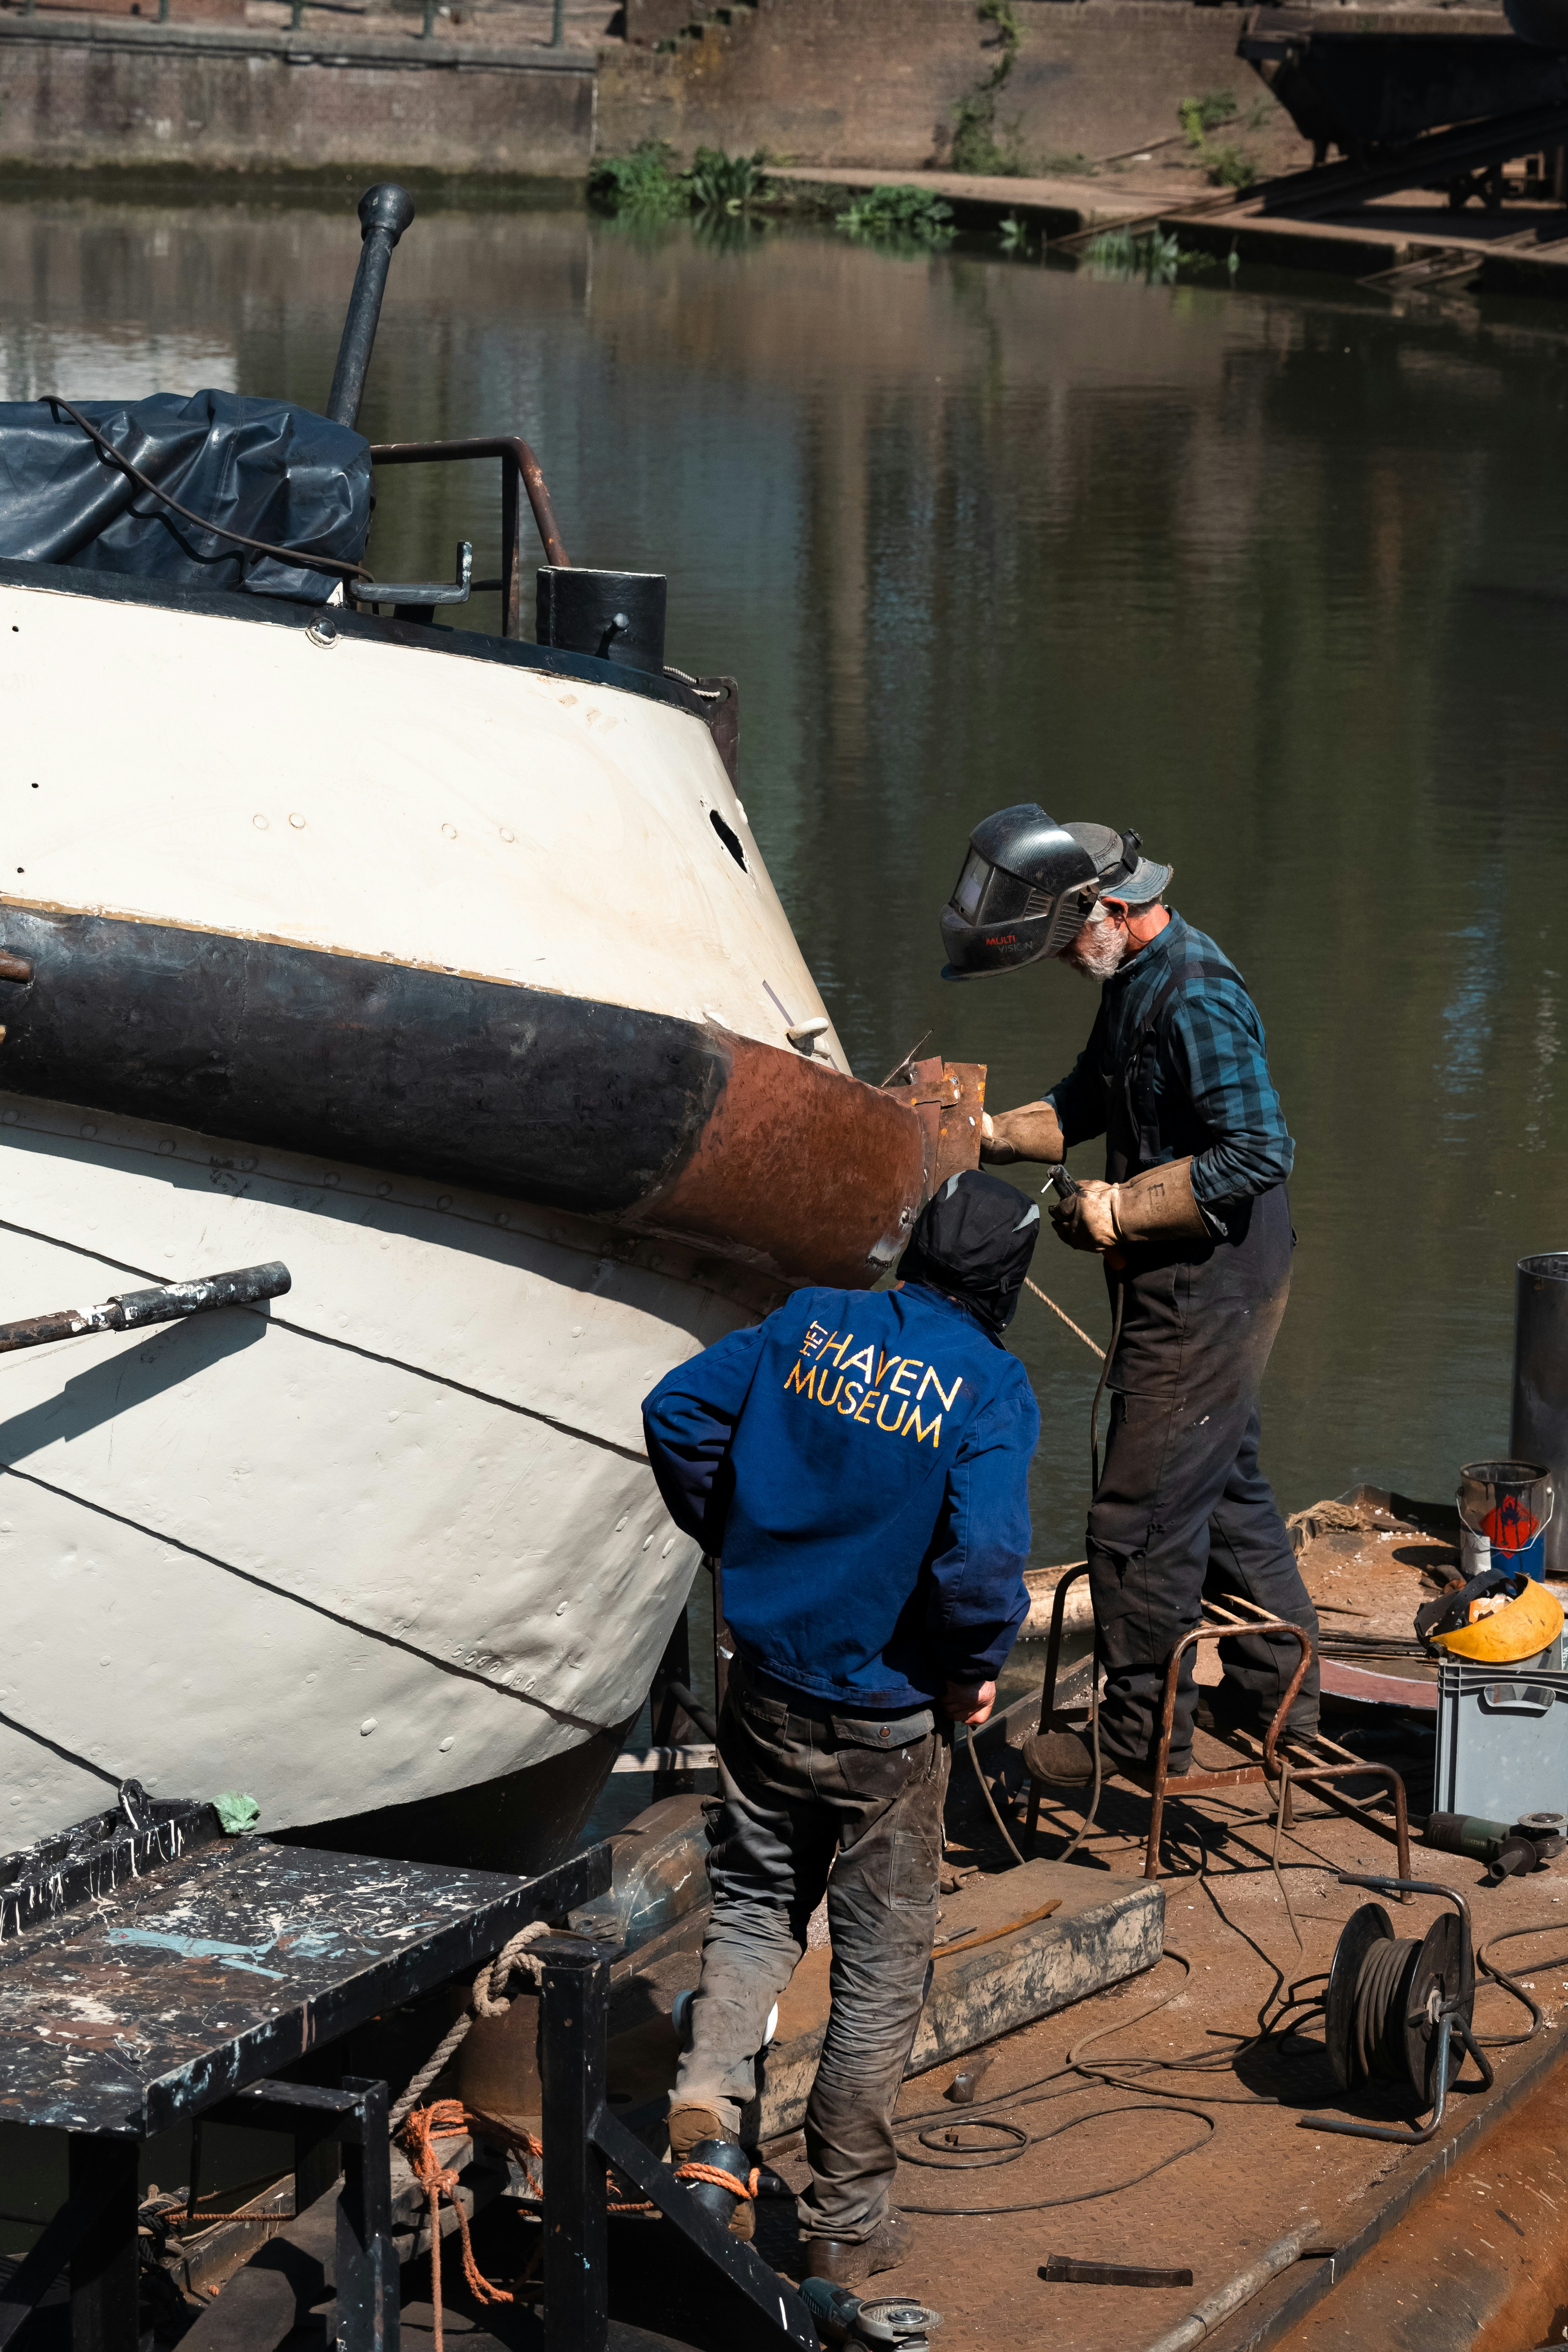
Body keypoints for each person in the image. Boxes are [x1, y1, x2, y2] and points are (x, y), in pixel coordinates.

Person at [641, 1170, 1040, 2287]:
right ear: (1009, 1282)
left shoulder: (813, 1318)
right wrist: (971, 1668)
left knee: (759, 1907)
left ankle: (710, 2122)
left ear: (910, 1246)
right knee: (876, 1967)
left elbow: (676, 1411)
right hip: (886, 1719)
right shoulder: (993, 1387)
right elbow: (986, 1559)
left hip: (763, 1682)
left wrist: (737, 1541)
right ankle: (844, 2221)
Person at [938, 803, 1318, 1785]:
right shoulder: (1134, 976)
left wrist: (1121, 1208)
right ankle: (1286, 1699)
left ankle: (1139, 1743)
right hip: (1189, 1274)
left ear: (1111, 907)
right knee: (1223, 1490)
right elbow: (1093, 1094)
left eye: (1069, 943)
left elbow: (1259, 1150)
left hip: (1209, 1282)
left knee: (1136, 1519)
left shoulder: (1191, 993)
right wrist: (990, 1132)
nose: (1068, 961)